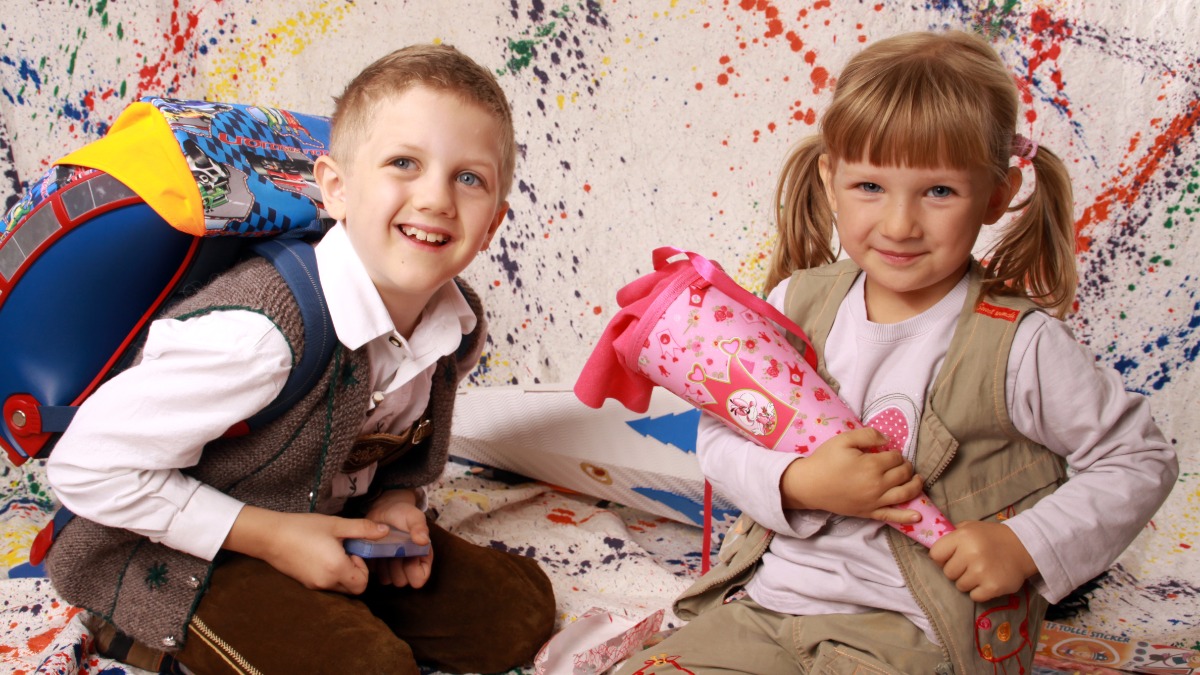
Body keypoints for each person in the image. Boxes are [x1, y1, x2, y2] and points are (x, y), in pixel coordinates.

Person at [620, 30, 1178, 674]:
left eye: (939, 191)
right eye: (870, 187)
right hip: (768, 607)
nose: (899, 224)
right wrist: (798, 482)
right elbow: (721, 429)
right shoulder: (799, 300)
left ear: (998, 192)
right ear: (830, 177)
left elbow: (1138, 459)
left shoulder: (1017, 346)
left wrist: (1025, 544)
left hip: (916, 630)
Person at [45, 44, 556, 674]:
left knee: (517, 614)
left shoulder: (456, 322)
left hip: (320, 516)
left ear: (493, 224)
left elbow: (388, 439)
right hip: (171, 543)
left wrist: (396, 502)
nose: (436, 199)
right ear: (336, 189)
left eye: (468, 178)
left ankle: (324, 601)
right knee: (367, 670)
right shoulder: (258, 334)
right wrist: (273, 538)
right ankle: (138, 628)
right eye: (404, 163)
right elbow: (84, 469)